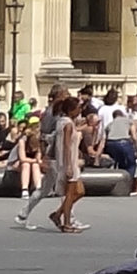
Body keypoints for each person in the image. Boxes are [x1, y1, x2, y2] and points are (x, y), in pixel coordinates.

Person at [48, 94, 90, 235]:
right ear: (72, 110)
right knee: (71, 194)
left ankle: (58, 214)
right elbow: (66, 145)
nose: (79, 111)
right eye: (78, 108)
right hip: (69, 162)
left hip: (66, 161)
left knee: (79, 191)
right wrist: (70, 165)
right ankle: (66, 223)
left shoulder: (62, 121)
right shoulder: (67, 124)